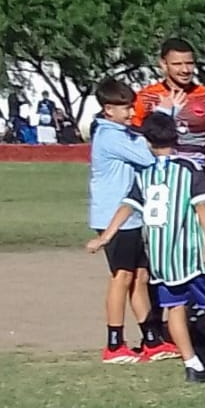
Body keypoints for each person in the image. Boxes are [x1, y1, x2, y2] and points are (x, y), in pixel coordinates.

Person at [87, 111, 205, 384]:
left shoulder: (144, 174)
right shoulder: (188, 168)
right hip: (189, 253)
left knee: (175, 308)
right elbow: (201, 206)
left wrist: (105, 237)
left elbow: (127, 206)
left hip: (160, 257)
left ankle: (193, 364)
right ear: (177, 137)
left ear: (147, 142)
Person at [87, 77, 177, 363]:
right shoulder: (110, 136)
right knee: (122, 277)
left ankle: (151, 339)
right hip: (114, 216)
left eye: (130, 106)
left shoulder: (123, 133)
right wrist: (163, 116)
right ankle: (114, 344)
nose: (130, 113)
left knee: (140, 276)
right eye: (125, 108)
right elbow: (149, 155)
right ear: (108, 110)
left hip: (133, 216)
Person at [134, 38, 205, 210]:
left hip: (202, 185)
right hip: (162, 186)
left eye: (189, 63)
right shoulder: (147, 97)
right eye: (177, 64)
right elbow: (136, 141)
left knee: (203, 228)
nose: (185, 70)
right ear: (163, 64)